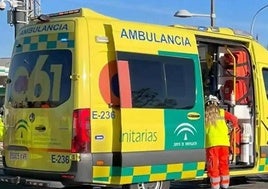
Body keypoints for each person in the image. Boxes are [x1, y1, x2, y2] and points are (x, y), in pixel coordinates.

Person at [205, 95, 239, 189]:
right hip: (224, 143)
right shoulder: (222, 112)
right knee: (224, 164)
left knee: (213, 165)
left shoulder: (205, 114)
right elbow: (235, 120)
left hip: (212, 143)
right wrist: (231, 128)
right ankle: (225, 185)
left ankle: (215, 186)